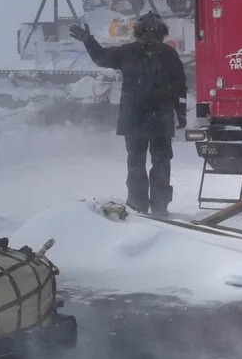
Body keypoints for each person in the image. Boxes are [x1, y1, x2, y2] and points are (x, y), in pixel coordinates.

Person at [70, 12, 188, 213]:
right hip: (161, 120)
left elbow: (100, 58)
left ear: (137, 32)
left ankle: (137, 206)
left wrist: (88, 40)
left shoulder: (127, 52)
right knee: (161, 163)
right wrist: (181, 113)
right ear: (162, 32)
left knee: (135, 163)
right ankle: (159, 207)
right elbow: (180, 87)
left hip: (134, 120)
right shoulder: (169, 54)